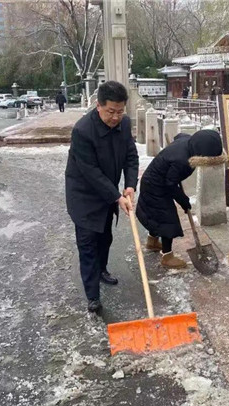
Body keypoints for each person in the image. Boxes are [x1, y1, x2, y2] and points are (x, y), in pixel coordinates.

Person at [65, 81, 139, 314]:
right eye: (111, 112)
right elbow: (91, 173)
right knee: (88, 245)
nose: (116, 117)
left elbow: (131, 156)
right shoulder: (83, 131)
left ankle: (102, 269)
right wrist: (117, 196)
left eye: (120, 111)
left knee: (105, 237)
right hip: (84, 196)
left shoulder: (124, 124)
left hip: (109, 193)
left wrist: (129, 186)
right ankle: (92, 295)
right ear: (98, 106)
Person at [136, 131, 226, 269]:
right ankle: (167, 257)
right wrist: (183, 200)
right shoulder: (182, 161)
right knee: (167, 219)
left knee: (157, 215)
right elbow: (170, 184)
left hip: (153, 181)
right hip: (155, 187)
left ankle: (152, 242)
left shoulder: (188, 141)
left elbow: (178, 135)